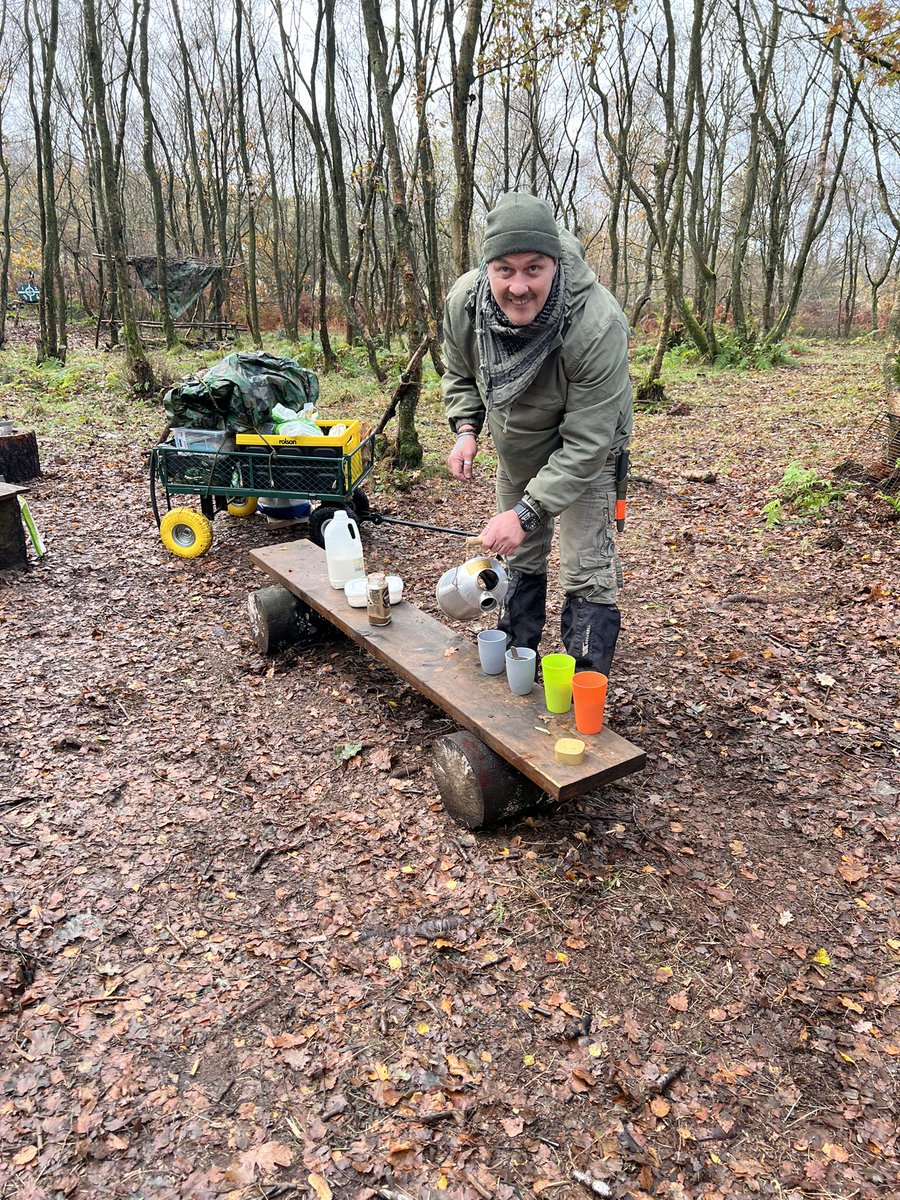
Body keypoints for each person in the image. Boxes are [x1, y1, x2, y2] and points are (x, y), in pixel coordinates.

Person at [442, 192, 633, 677]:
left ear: (555, 264)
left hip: (587, 453)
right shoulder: (465, 304)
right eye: (505, 270)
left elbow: (587, 443)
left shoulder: (596, 324)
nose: (519, 286)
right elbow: (461, 372)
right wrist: (466, 429)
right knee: (519, 551)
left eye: (534, 269)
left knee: (585, 566)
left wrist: (527, 511)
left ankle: (583, 686)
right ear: (487, 268)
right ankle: (514, 662)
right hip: (517, 441)